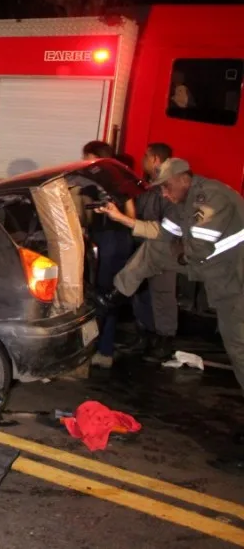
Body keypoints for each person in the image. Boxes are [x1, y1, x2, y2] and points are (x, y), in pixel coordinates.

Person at [96, 158, 244, 470]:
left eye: (166, 186)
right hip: (222, 277)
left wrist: (172, 247)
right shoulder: (180, 202)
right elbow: (160, 237)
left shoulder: (210, 197)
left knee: (241, 351)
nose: (163, 193)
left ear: (183, 178)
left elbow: (197, 250)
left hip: (237, 284)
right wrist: (122, 219)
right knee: (154, 251)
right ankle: (114, 296)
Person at [81, 141, 136, 369]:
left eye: (86, 157)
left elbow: (85, 217)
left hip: (108, 241)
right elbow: (131, 213)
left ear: (95, 157)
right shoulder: (116, 181)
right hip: (117, 240)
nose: (84, 161)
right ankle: (103, 349)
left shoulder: (99, 182)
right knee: (109, 293)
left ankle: (101, 350)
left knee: (102, 295)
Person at [125, 142, 178, 361]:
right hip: (143, 247)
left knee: (163, 295)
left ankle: (164, 342)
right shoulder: (148, 184)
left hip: (163, 250)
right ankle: (145, 337)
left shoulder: (170, 187)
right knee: (142, 293)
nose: (142, 160)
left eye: (146, 156)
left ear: (156, 159)